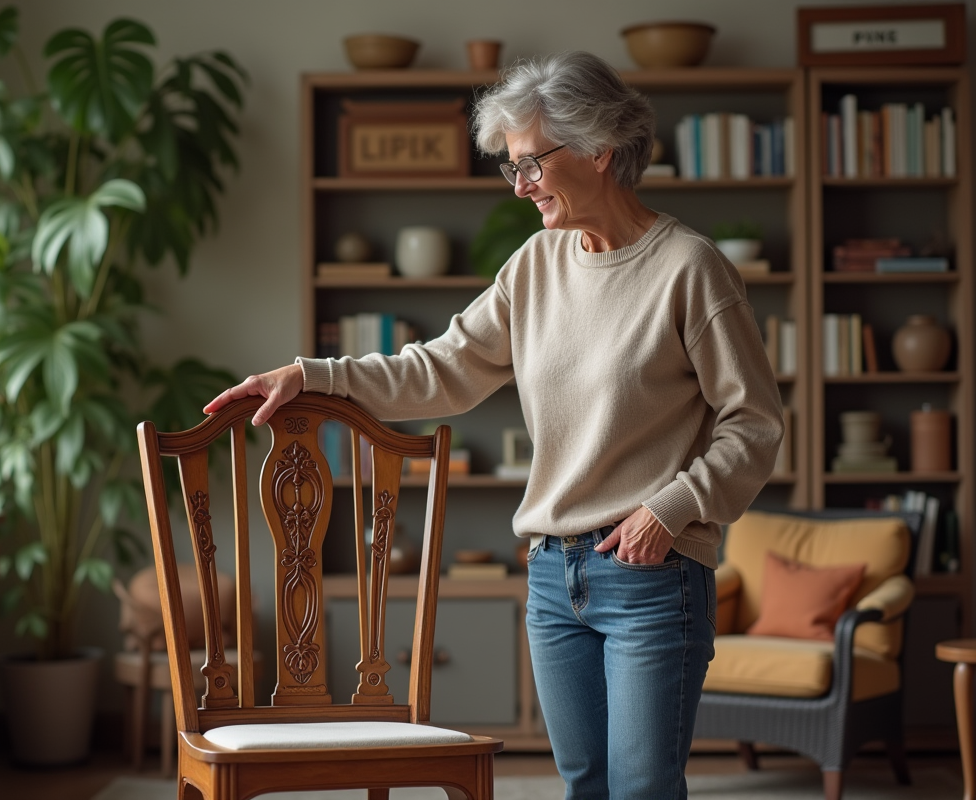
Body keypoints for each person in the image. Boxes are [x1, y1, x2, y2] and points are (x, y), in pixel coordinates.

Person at [204, 51, 783, 800]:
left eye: (532, 163)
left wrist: (668, 510)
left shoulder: (689, 268)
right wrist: (312, 374)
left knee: (641, 789)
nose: (522, 185)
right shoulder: (534, 268)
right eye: (511, 169)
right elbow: (437, 368)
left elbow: (755, 423)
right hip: (552, 574)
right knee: (583, 785)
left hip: (651, 574)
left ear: (599, 148)